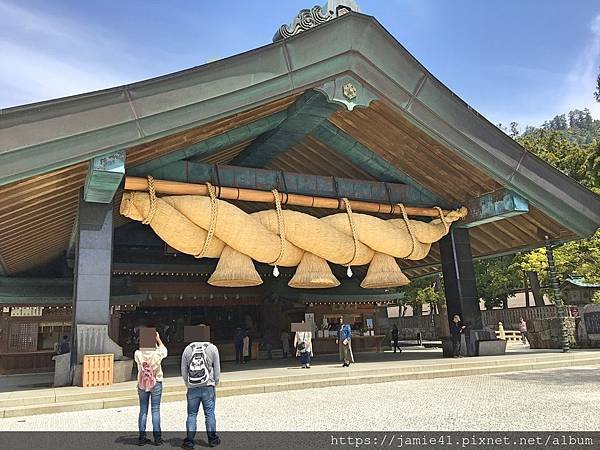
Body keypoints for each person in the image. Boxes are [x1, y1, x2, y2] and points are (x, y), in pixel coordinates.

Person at [181, 335, 221, 448]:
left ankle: (189, 441)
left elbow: (184, 370)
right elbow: (217, 369)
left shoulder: (188, 349)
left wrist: (187, 383)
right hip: (208, 386)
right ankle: (212, 439)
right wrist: (215, 381)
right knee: (209, 413)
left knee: (192, 414)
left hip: (192, 387)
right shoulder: (212, 348)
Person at [134, 331, 168, 446]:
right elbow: (165, 351)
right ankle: (157, 438)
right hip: (156, 382)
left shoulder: (138, 353)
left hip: (142, 384)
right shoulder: (157, 353)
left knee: (143, 409)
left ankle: (142, 437)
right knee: (155, 409)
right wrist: (158, 339)